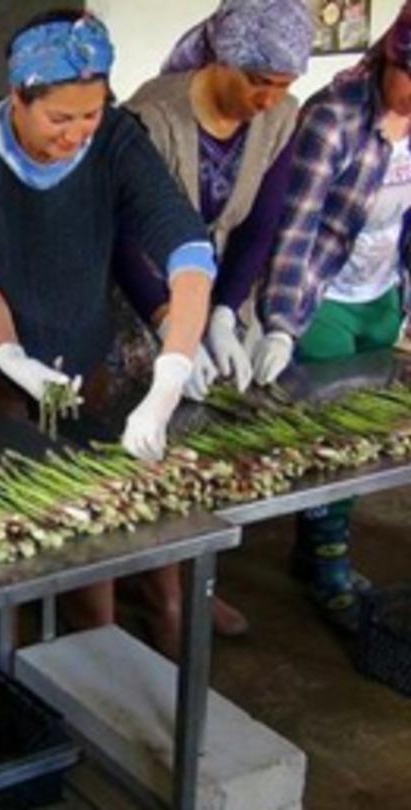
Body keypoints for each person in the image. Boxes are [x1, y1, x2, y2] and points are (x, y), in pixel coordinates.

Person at [0, 9, 216, 630]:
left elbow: (186, 245)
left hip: (80, 350)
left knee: (87, 522)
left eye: (88, 114)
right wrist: (14, 361)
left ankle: (91, 654)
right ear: (18, 96)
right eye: (59, 118)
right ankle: (13, 656)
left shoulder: (117, 138)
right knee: (11, 527)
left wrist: (171, 373)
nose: (76, 134)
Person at [112, 0, 314, 657]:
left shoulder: (280, 116)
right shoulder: (154, 113)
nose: (269, 98)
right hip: (141, 297)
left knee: (206, 450)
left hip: (215, 288)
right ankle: (159, 593)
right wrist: (173, 324)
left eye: (283, 85)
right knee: (150, 451)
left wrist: (225, 314)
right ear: (223, 58)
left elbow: (261, 223)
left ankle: (194, 579)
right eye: (259, 81)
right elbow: (124, 234)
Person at [252, 3, 411, 632]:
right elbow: (295, 227)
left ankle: (311, 546)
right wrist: (281, 323)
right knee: (334, 437)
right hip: (324, 292)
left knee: (372, 431)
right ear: (388, 60)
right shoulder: (333, 117)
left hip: (381, 290)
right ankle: (329, 564)